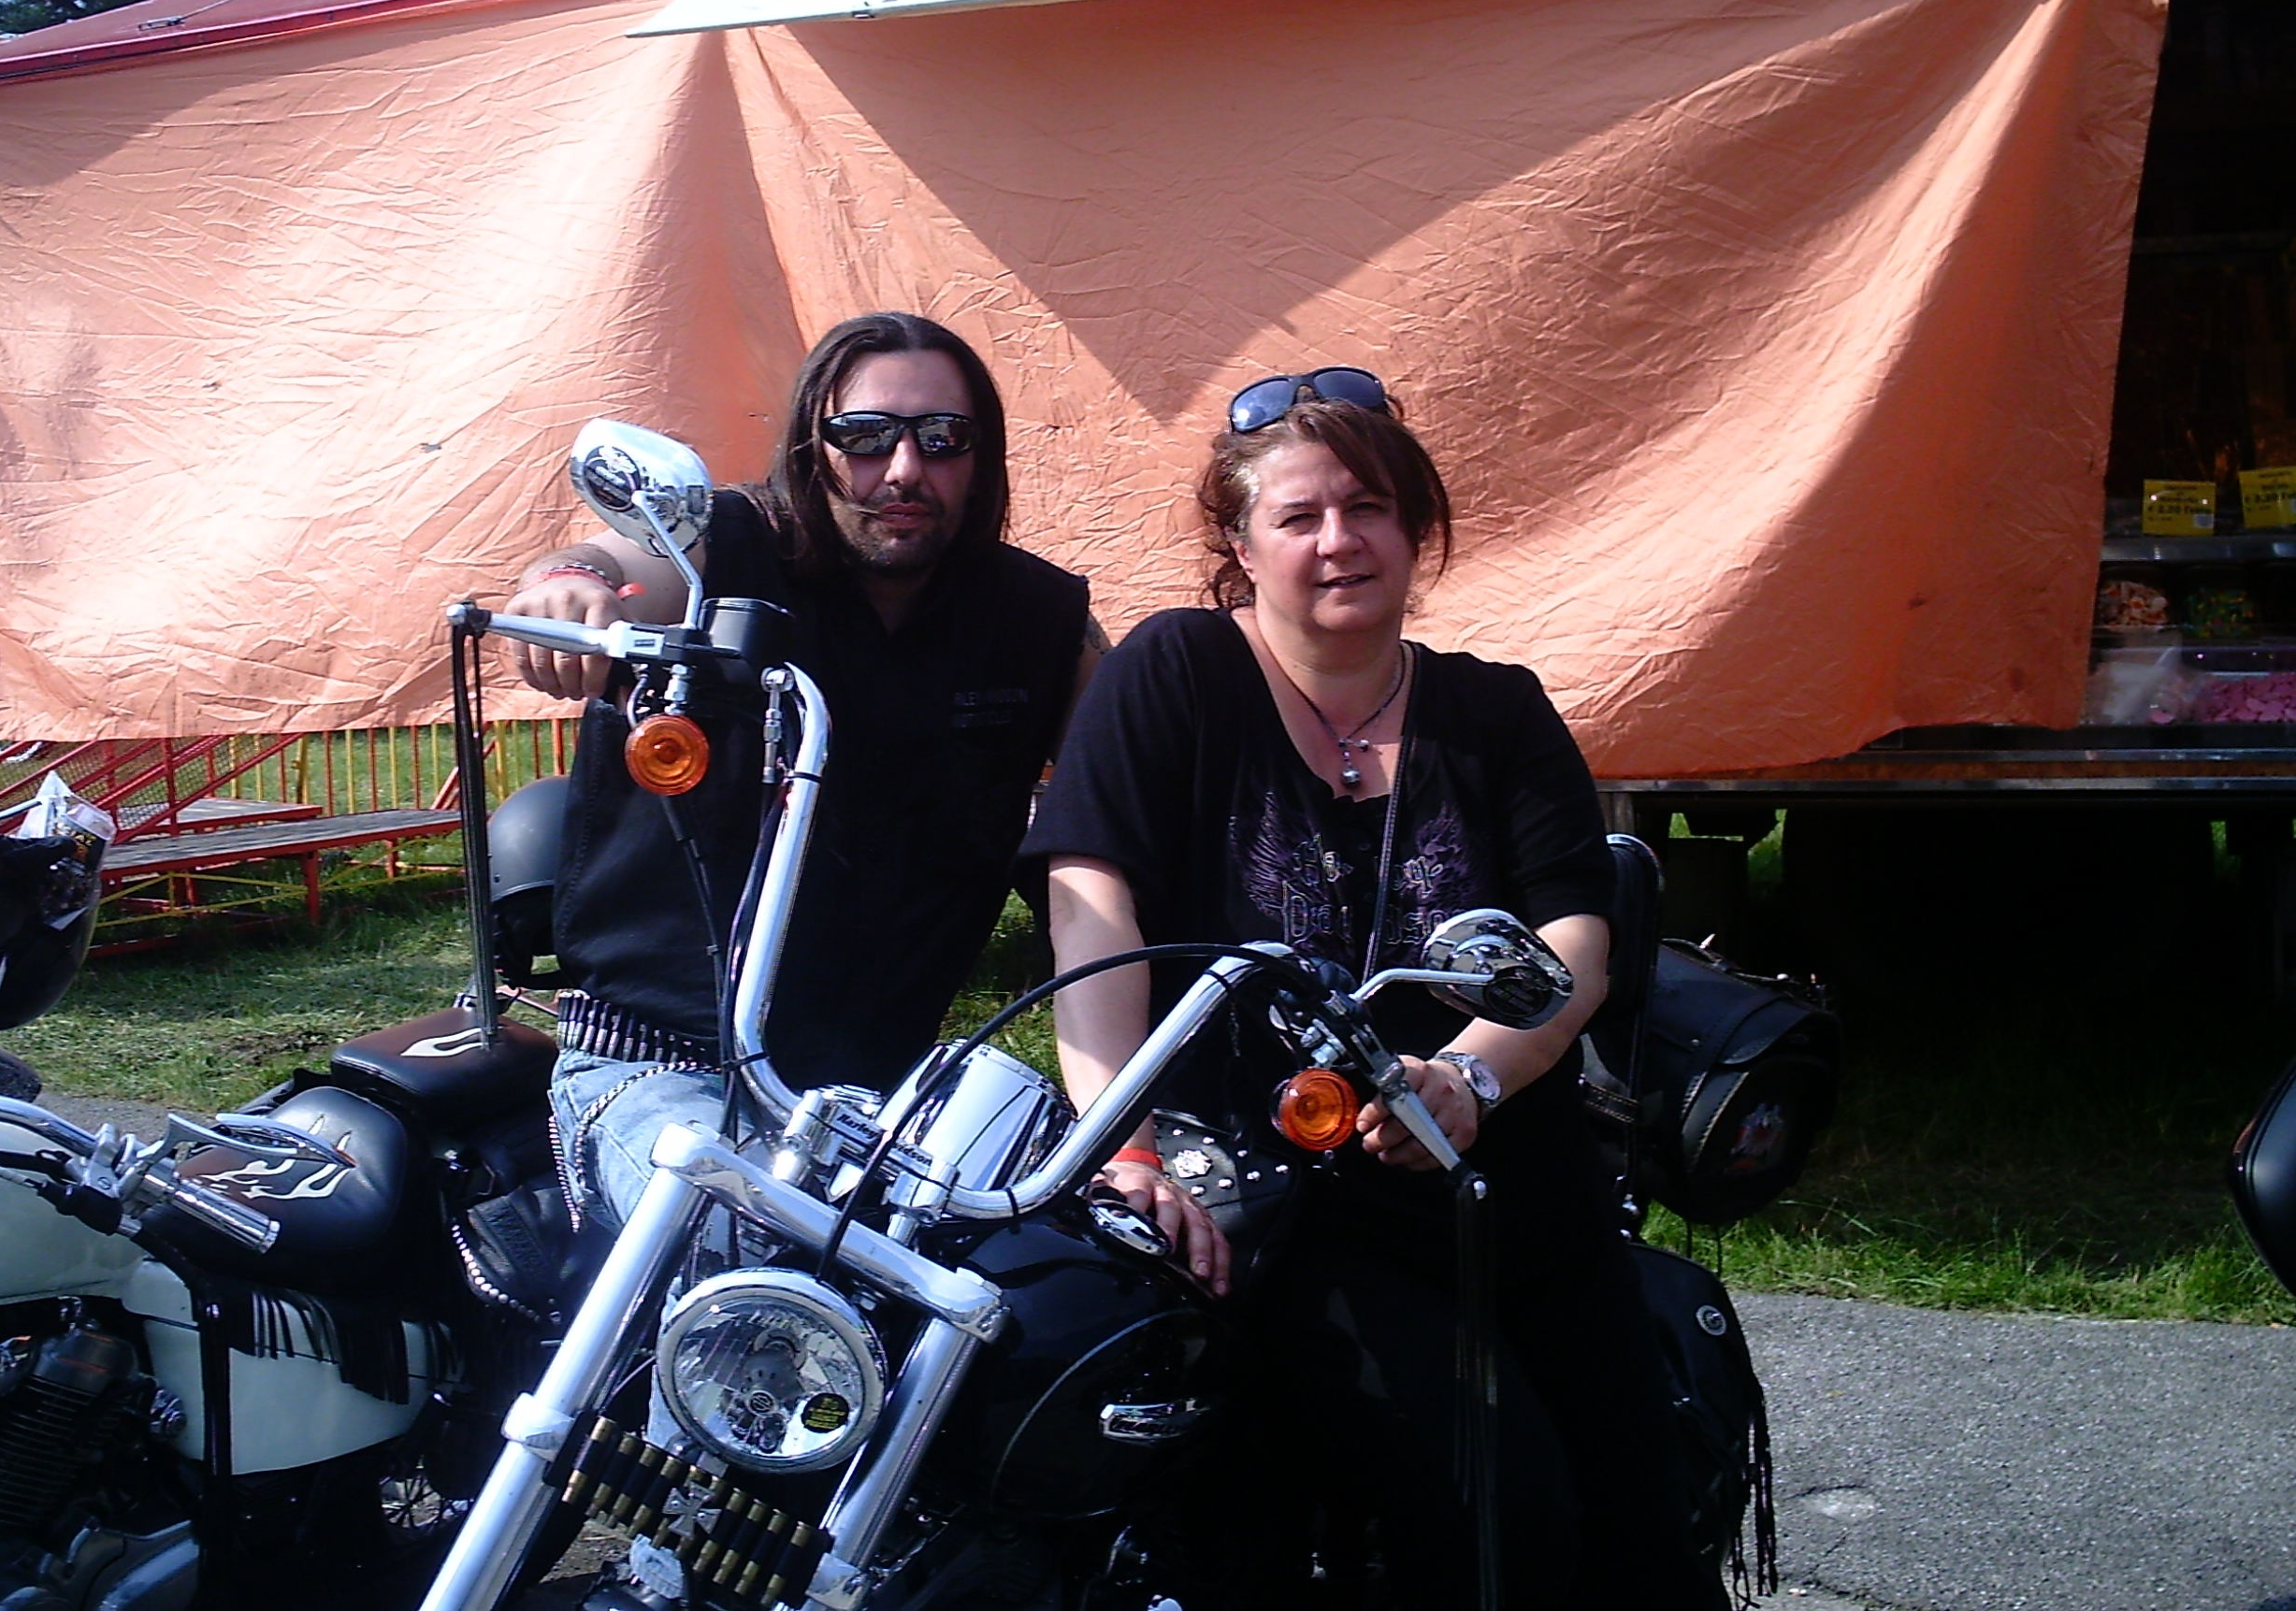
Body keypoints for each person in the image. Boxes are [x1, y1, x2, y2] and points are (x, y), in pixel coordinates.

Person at [1023, 368, 1720, 1608]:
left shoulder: (1495, 709)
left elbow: (1577, 935)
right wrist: (1120, 1143)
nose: (1338, 540)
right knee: (1503, 1513)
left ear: (1417, 529)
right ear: (1242, 547)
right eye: (1299, 516)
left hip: (1505, 1177)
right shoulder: (1177, 670)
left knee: (1646, 1535)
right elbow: (1093, 912)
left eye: (1369, 508)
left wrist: (1470, 1076)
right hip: (1283, 1199)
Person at [502, 311, 1095, 1231]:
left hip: (878, 1093)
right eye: (866, 436)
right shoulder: (725, 545)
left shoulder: (1036, 616)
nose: (904, 469)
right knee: (745, 1255)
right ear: (812, 447)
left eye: (943, 438)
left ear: (983, 459)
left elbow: (1129, 774)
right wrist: (569, 585)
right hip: (665, 1063)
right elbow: (624, 562)